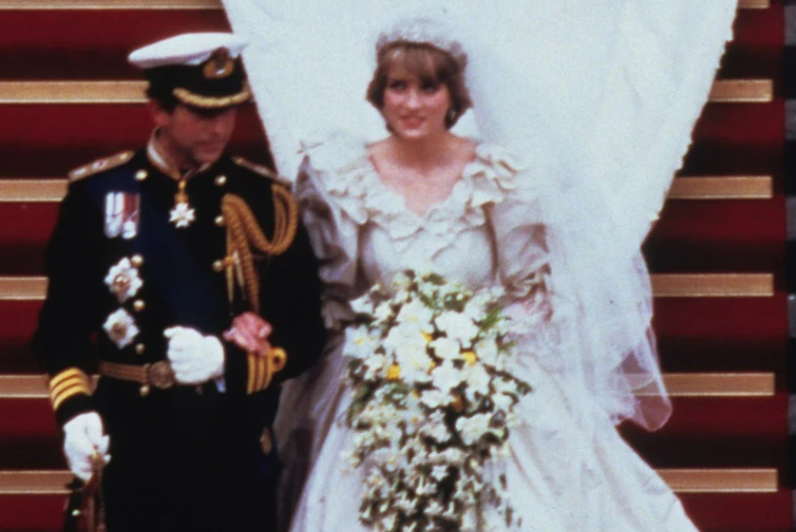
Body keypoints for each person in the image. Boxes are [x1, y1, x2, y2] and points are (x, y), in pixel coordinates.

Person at [270, 20, 702, 531]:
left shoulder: (501, 176)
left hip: (487, 380)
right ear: (379, 93)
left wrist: (468, 355)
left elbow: (533, 295)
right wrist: (393, 357)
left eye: (429, 87)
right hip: (379, 388)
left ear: (454, 95)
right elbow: (332, 299)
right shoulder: (341, 174)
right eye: (398, 86)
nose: (412, 103)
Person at [31, 32, 326, 532]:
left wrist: (226, 361)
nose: (221, 127)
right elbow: (60, 330)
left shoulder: (265, 201)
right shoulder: (98, 195)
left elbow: (305, 332)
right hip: (132, 443)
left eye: (230, 111)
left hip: (230, 447)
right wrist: (76, 411)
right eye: (203, 113)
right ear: (159, 111)